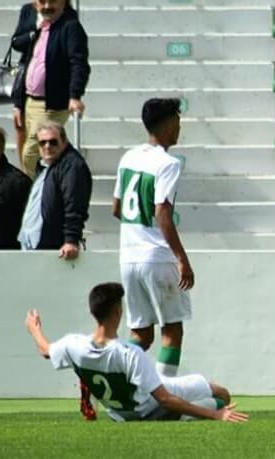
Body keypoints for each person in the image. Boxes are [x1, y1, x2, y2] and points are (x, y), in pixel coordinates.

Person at [24, 282, 249, 423]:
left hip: (120, 416)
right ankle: (187, 418)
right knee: (221, 395)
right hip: (151, 408)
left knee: (187, 399)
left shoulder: (74, 345)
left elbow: (46, 350)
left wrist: (34, 328)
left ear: (93, 312)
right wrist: (216, 415)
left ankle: (184, 417)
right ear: (118, 312)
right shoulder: (129, 353)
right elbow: (165, 399)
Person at [112, 98, 194, 378]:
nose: (179, 127)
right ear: (169, 123)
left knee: (141, 334)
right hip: (156, 256)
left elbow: (116, 208)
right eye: (178, 122)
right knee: (172, 329)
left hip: (129, 257)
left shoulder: (128, 158)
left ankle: (113, 379)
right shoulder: (168, 163)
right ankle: (166, 394)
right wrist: (182, 259)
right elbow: (162, 213)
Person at [11, 0, 90, 177]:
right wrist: (18, 103)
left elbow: (79, 63)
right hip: (29, 99)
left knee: (31, 153)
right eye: (42, 1)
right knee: (41, 150)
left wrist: (75, 95)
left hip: (52, 103)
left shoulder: (70, 26)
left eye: (52, 1)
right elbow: (18, 46)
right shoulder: (30, 15)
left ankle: (37, 193)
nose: (47, 6)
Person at [17, 121, 92, 259]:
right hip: (33, 246)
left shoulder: (72, 166)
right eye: (42, 143)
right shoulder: (46, 166)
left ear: (64, 141)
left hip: (53, 248)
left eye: (53, 142)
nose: (47, 146)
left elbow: (74, 204)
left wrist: (71, 240)